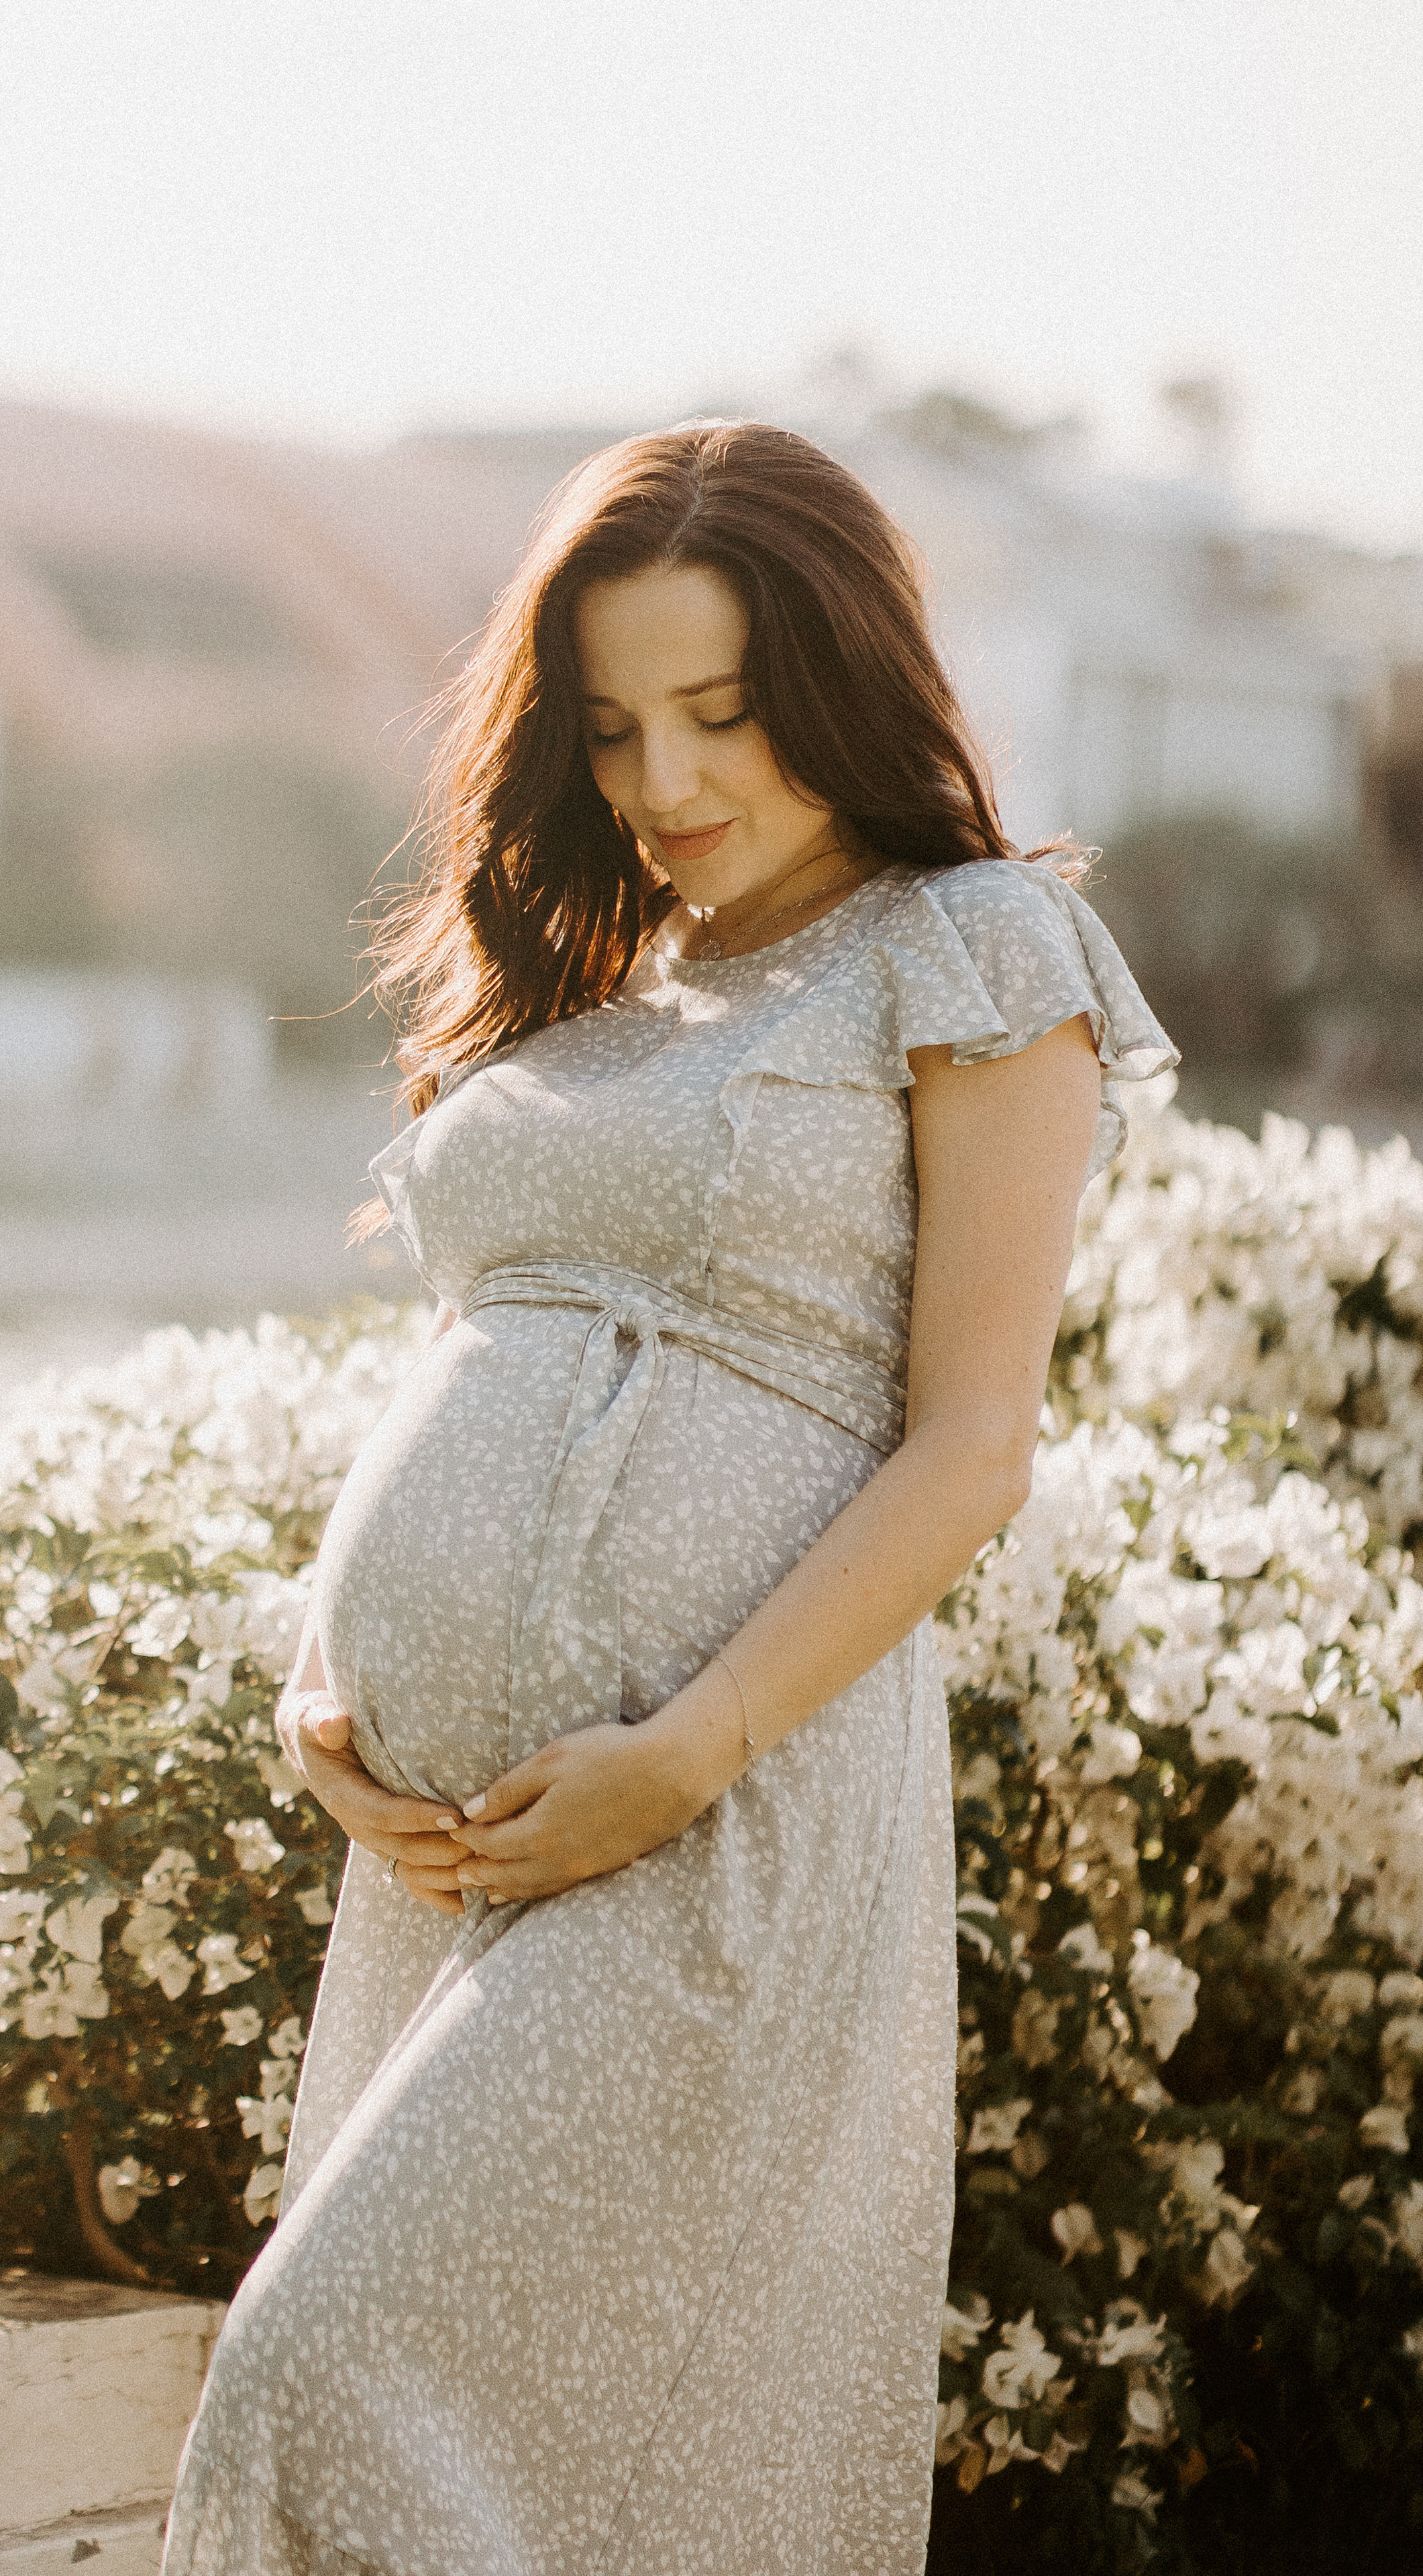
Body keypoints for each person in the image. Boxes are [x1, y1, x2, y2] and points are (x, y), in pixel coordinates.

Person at [162, 421, 1176, 2576]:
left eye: (722, 715)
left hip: (719, 1808)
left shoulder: (973, 951)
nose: (664, 781)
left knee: (322, 2382)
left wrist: (682, 1750)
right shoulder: (610, 989)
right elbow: (486, 1351)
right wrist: (322, 1692)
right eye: (614, 725)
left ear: (845, 682)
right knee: (489, 2469)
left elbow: (971, 1444)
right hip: (447, 1851)